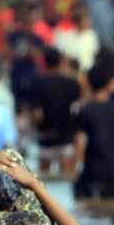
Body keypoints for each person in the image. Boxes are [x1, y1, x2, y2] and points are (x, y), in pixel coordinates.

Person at [72, 60, 114, 201]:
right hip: (113, 171)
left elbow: (80, 142)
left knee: (88, 209)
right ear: (107, 84)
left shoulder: (85, 110)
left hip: (91, 170)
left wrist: (77, 167)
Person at [30, 47, 81, 179]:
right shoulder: (72, 83)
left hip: (46, 137)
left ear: (44, 62)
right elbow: (79, 109)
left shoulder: (37, 83)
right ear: (60, 62)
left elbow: (37, 114)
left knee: (42, 180)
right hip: (66, 137)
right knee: (67, 176)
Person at [55, 7, 99, 73]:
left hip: (88, 71)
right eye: (85, 19)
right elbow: (64, 54)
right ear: (78, 21)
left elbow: (95, 54)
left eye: (88, 19)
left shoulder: (91, 35)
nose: (88, 22)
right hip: (72, 72)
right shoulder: (67, 35)